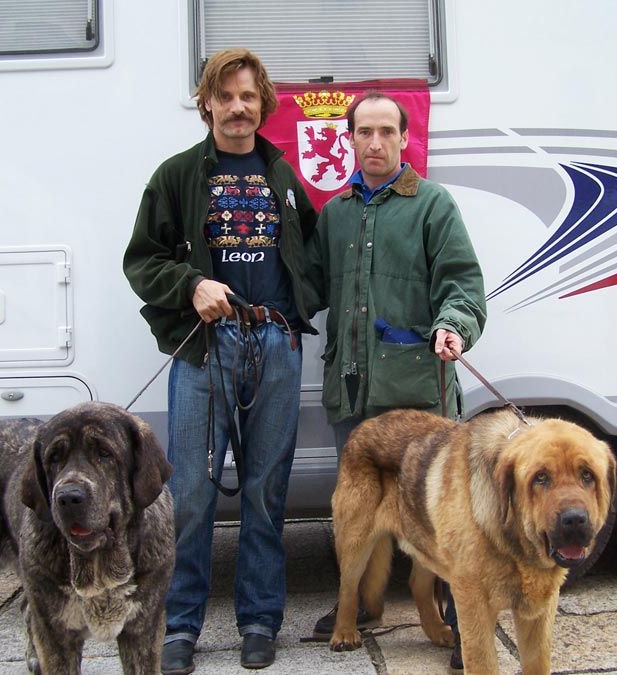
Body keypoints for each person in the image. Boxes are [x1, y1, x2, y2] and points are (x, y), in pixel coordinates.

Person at [123, 48, 318, 673]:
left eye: (249, 97)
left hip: (274, 345)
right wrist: (190, 284)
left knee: (267, 490)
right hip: (206, 349)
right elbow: (141, 259)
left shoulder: (282, 177)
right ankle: (177, 627)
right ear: (206, 101)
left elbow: (314, 255)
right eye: (225, 96)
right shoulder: (177, 175)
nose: (238, 108)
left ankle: (260, 620)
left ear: (263, 105)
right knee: (190, 493)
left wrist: (297, 322)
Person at [304, 92, 487, 666]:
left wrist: (453, 325)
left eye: (387, 131)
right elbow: (306, 287)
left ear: (405, 138)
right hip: (352, 393)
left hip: (418, 396)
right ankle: (360, 605)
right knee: (355, 518)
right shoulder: (334, 215)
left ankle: (461, 622)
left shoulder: (433, 205)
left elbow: (463, 285)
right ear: (350, 139)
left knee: (447, 519)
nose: (375, 142)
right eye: (364, 132)